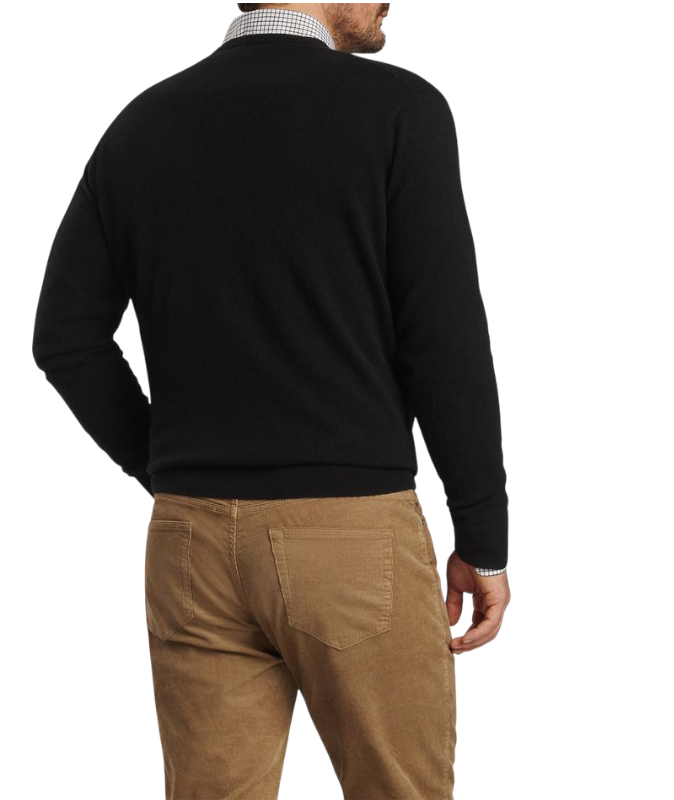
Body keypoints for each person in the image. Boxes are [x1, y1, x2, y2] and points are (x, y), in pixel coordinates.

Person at [32, 4, 511, 797]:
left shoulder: (142, 121)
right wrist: (483, 537)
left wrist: (166, 467)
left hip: (188, 541)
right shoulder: (399, 108)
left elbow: (64, 338)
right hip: (349, 535)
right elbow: (445, 339)